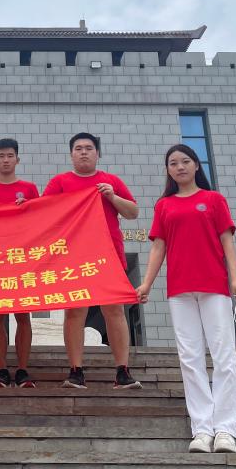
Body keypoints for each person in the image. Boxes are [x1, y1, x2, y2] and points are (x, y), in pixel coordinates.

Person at [137, 143, 236, 454]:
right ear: (168, 170)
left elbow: (227, 242)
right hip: (180, 290)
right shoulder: (164, 205)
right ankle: (201, 429)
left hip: (214, 287)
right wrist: (146, 283)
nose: (180, 167)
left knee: (223, 356)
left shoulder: (213, 200)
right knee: (190, 359)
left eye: (185, 161)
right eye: (173, 163)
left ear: (196, 165)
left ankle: (226, 429)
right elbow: (158, 247)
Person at [43, 132, 142, 390]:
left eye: (89, 148)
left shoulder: (111, 181)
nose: (84, 152)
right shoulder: (60, 182)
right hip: (73, 257)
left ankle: (123, 370)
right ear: (71, 154)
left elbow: (133, 212)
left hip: (109, 255)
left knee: (114, 311)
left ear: (97, 153)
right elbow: (42, 213)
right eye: (78, 148)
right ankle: (76, 371)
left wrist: (112, 197)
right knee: (75, 312)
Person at [0, 137, 40, 388]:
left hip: (22, 259)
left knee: (23, 316)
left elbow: (43, 219)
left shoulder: (29, 189)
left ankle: (23, 369)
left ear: (17, 159)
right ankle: (1, 368)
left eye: (10, 155)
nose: (5, 160)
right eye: (1, 156)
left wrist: (29, 207)